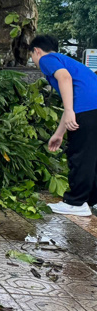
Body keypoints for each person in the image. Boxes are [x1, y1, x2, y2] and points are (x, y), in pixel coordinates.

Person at [30, 34, 97, 217]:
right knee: (92, 157)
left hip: (88, 109)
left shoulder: (47, 59)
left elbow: (65, 79)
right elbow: (73, 102)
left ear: (36, 50)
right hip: (92, 108)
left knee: (80, 155)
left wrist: (68, 111)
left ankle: (76, 203)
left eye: (32, 57)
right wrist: (59, 133)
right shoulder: (67, 61)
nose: (34, 61)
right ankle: (92, 200)